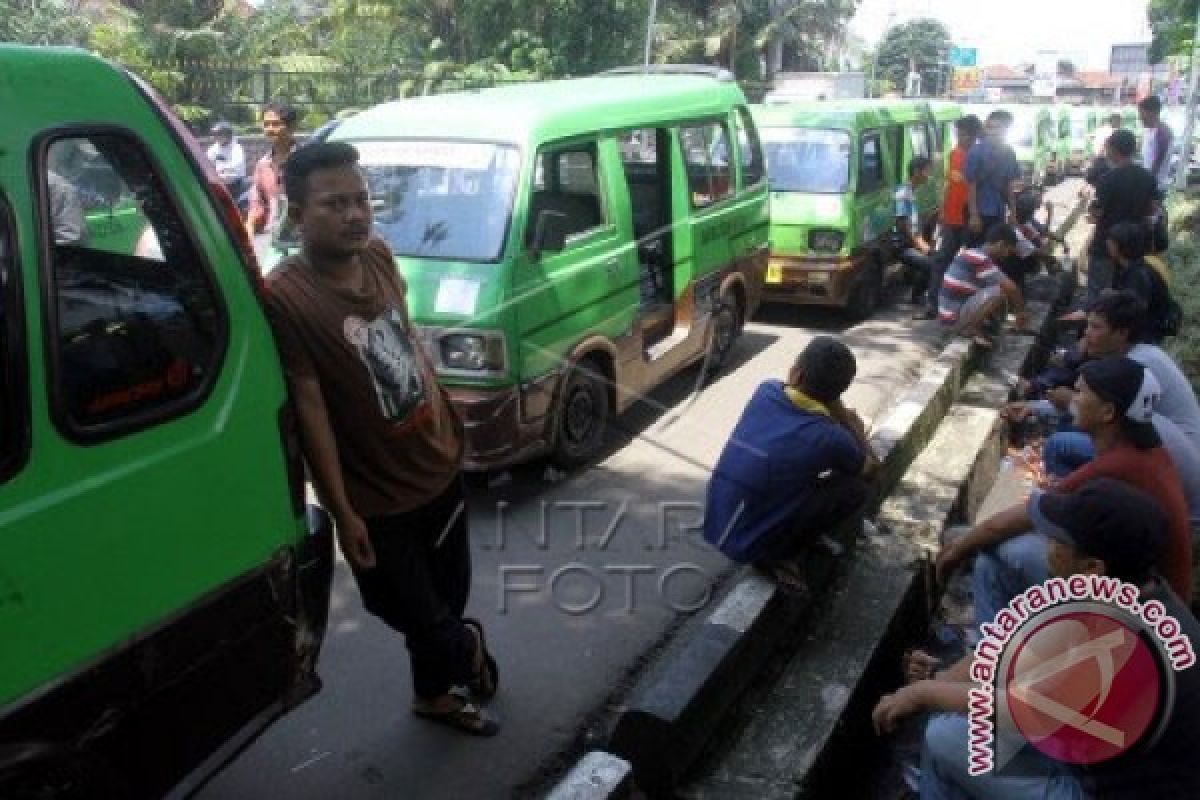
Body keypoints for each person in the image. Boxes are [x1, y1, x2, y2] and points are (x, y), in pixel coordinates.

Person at [264, 142, 499, 736]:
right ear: (296, 213)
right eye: (334, 203)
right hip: (376, 491)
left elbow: (408, 338)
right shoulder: (284, 297)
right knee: (400, 606)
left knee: (448, 593)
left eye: (362, 199)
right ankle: (463, 653)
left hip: (439, 459)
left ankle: (435, 695)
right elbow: (309, 403)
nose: (354, 214)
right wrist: (342, 511)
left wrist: (449, 418)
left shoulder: (380, 255)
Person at [876, 479, 1200, 800]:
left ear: (1092, 568)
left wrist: (925, 693)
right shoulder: (1130, 592)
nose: (1047, 545)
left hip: (1101, 788)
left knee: (944, 736)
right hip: (1091, 750)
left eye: (1059, 541)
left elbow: (1022, 711)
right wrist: (943, 677)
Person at [939, 356, 1194, 620]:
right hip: (1154, 591)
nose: (1073, 398)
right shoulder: (1144, 449)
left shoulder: (1117, 465)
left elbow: (1014, 520)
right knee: (995, 544)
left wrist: (959, 548)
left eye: (1082, 392)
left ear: (1107, 412)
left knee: (994, 551)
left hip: (1139, 612)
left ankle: (990, 652)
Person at [703, 336, 879, 593]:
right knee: (856, 488)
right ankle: (781, 554)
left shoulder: (767, 391)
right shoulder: (830, 437)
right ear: (839, 393)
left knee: (798, 473)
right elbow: (873, 470)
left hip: (717, 521)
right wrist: (855, 429)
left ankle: (786, 538)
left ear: (796, 373)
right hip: (748, 544)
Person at [1075, 291, 1200, 452]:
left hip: (1177, 454)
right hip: (1166, 444)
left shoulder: (1137, 365)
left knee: (1059, 445)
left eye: (1095, 327)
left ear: (1122, 333)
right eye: (1087, 325)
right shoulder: (1140, 353)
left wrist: (1064, 401)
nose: (1086, 332)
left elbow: (1101, 414)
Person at [1085, 130, 1158, 302]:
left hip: (1105, 246)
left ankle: (1094, 326)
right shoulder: (1148, 177)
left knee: (1097, 295)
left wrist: (1092, 213)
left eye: (1107, 147)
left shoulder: (1107, 179)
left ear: (1112, 149)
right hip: (1134, 247)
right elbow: (1153, 209)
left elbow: (1098, 213)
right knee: (1127, 297)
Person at [937, 224, 1025, 347]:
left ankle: (983, 326)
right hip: (953, 317)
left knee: (997, 289)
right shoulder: (980, 258)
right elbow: (1011, 287)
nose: (1007, 255)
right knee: (1001, 290)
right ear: (1000, 244)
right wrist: (1021, 312)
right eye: (1008, 251)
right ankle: (970, 329)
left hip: (951, 312)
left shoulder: (974, 253)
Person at [1106, 221, 1171, 343]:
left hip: (1145, 335)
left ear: (1120, 245)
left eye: (1110, 241)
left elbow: (1135, 312)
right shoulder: (1134, 264)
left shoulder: (1138, 275)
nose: (1107, 244)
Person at [935, 115, 982, 279]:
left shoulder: (979, 156)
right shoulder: (953, 154)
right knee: (942, 259)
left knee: (970, 260)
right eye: (959, 134)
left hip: (970, 218)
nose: (961, 138)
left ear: (975, 136)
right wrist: (942, 210)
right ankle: (935, 299)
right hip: (951, 216)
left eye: (965, 135)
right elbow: (947, 185)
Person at [965, 111, 1020, 247]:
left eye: (997, 127)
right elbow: (972, 184)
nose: (993, 131)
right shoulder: (976, 151)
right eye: (990, 127)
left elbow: (1010, 185)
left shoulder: (1009, 152)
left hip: (999, 211)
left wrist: (1013, 212)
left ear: (1006, 129)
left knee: (995, 251)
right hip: (980, 212)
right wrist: (973, 215)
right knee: (976, 251)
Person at [247, 102, 299, 240]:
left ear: (292, 126)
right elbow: (256, 203)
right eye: (266, 124)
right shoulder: (262, 165)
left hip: (303, 239)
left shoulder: (305, 161)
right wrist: (250, 226)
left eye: (276, 124)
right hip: (272, 238)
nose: (270, 129)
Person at [895, 156, 939, 316]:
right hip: (902, 246)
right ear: (917, 171)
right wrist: (920, 245)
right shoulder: (903, 193)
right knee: (934, 265)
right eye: (927, 171)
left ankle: (918, 294)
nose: (929, 175)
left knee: (936, 259)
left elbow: (914, 222)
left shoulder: (912, 192)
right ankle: (918, 296)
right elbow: (902, 225)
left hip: (912, 241)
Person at [1139, 94, 1175, 193]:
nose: (1140, 117)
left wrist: (1147, 183)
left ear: (1153, 112)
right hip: (1148, 181)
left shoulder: (1162, 132)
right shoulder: (1148, 130)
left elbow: (1158, 161)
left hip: (1155, 185)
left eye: (1142, 113)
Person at [207, 120, 247, 195]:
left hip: (236, 185)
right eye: (215, 134)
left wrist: (220, 174)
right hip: (219, 185)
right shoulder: (213, 149)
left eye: (219, 134)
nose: (216, 136)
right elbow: (206, 165)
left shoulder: (237, 149)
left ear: (228, 135)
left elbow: (236, 171)